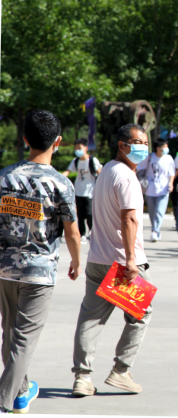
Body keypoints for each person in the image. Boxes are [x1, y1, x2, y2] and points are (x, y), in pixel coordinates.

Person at [0, 110, 81, 414]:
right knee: (23, 340)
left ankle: (21, 393)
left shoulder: (4, 176)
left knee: (10, 334)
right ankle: (3, 402)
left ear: (25, 139)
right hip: (39, 271)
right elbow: (72, 232)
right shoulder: (61, 184)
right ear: (58, 141)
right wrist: (76, 262)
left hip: (4, 268)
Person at [72, 123, 153, 397]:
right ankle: (121, 370)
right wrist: (131, 260)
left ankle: (82, 377)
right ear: (122, 145)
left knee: (90, 319)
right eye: (138, 143)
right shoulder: (127, 177)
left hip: (98, 259)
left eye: (146, 143)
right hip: (121, 262)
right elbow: (129, 219)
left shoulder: (106, 169)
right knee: (141, 314)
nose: (143, 148)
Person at [62, 138, 103, 244]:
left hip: (90, 192)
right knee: (80, 214)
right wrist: (59, 177)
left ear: (86, 148)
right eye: (76, 148)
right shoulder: (76, 161)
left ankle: (93, 232)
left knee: (89, 213)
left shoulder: (92, 160)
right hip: (78, 192)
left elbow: (100, 173)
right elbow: (68, 171)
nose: (77, 150)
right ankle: (82, 234)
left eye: (79, 148)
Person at [137, 139, 175, 242]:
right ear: (158, 148)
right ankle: (155, 229)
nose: (166, 148)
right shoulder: (149, 157)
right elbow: (139, 168)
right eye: (164, 146)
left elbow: (171, 173)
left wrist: (171, 183)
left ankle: (155, 231)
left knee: (159, 211)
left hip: (163, 189)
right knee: (152, 212)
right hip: (150, 189)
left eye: (166, 146)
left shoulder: (168, 158)